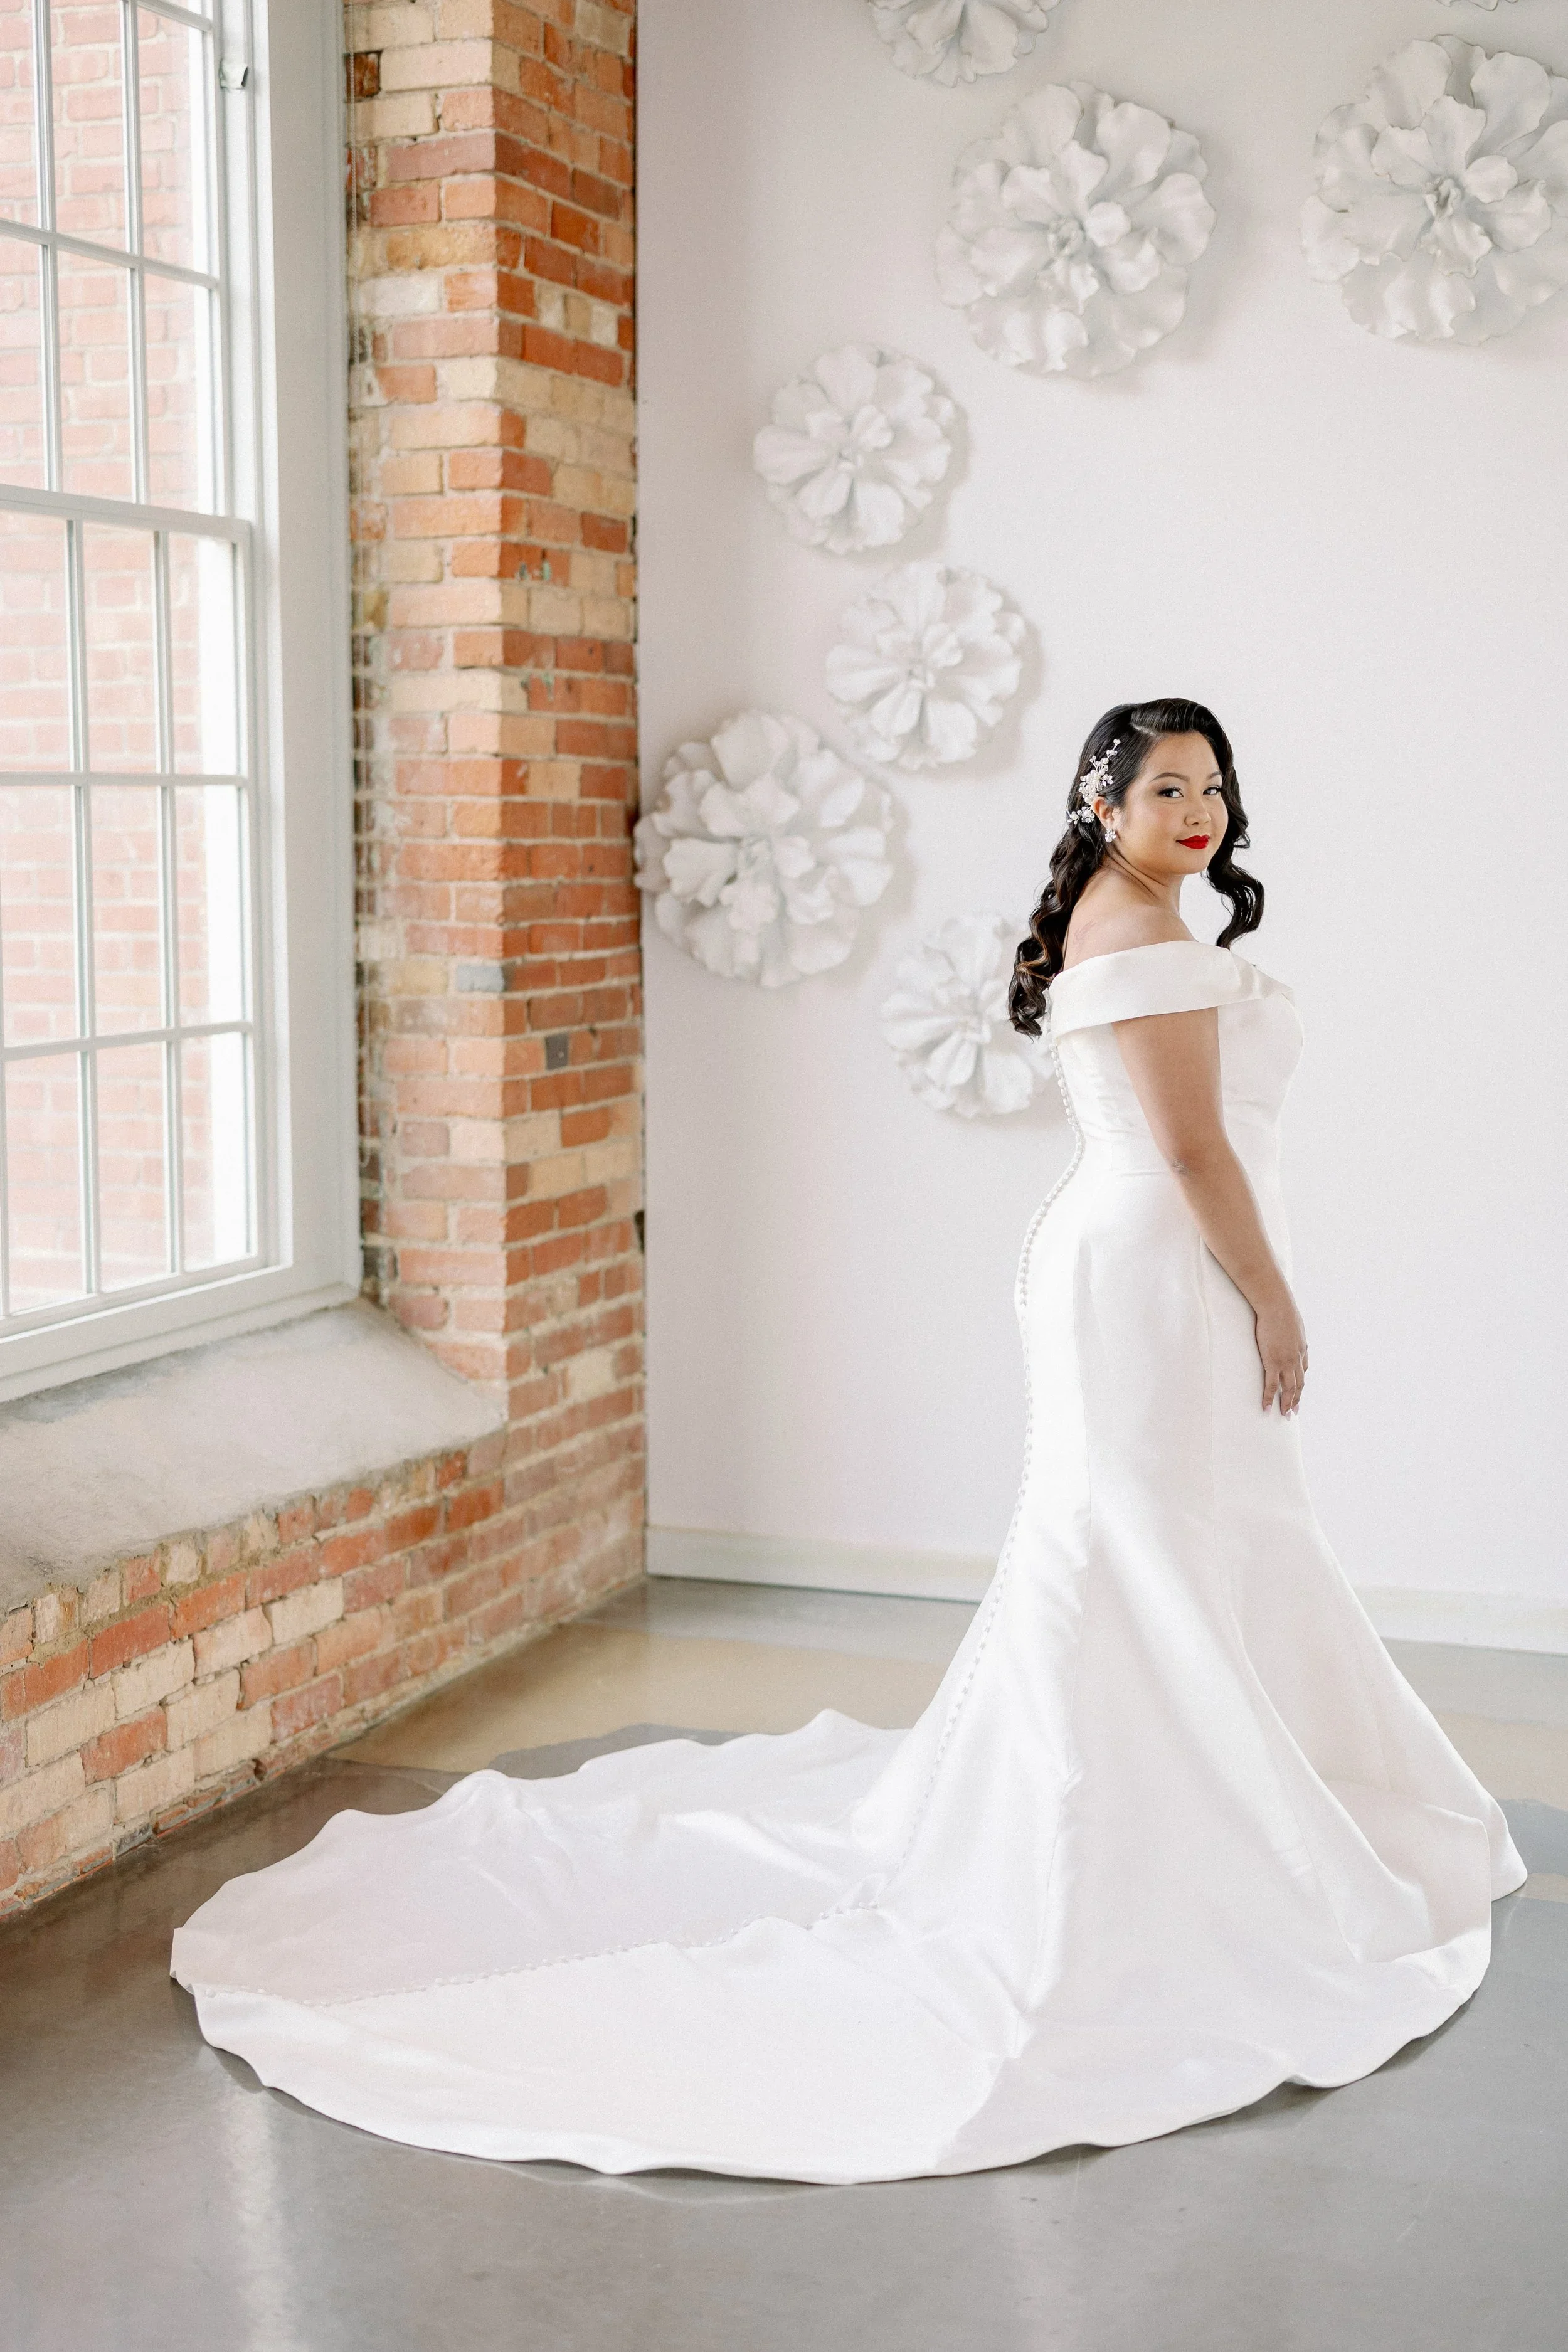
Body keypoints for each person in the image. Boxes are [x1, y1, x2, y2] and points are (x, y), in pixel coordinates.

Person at [172, 697, 1524, 2185]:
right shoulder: (1137, 936)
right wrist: (1271, 1297)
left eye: (1211, 787)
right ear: (1098, 798)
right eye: (1162, 788)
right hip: (1163, 1266)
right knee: (1150, 1542)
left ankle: (1207, 1796)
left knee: (1178, 1536)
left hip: (1132, 1257)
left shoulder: (1119, 912)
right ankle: (1158, 1832)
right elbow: (1196, 1147)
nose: (1194, 812)